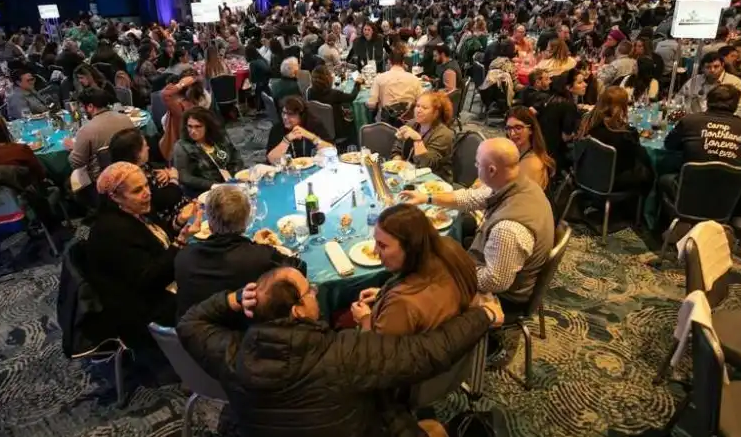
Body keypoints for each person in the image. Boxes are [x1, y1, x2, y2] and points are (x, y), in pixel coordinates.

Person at [176, 267, 500, 437]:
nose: (315, 293)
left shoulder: (231, 354)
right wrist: (482, 315)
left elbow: (189, 323)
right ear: (298, 310)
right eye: (309, 290)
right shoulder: (344, 352)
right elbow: (427, 353)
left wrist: (233, 299)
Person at [398, 138, 555, 312]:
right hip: (499, 268)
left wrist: (454, 270)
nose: (475, 166)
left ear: (492, 170)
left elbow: (496, 282)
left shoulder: (508, 229)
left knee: (422, 279)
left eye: (477, 163)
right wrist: (427, 198)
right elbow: (471, 198)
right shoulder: (517, 184)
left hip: (504, 298)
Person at [85, 162, 201, 342]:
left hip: (157, 282)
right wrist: (180, 242)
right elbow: (150, 279)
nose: (147, 193)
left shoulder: (135, 209)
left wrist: (179, 222)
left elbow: (159, 240)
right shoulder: (113, 232)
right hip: (142, 307)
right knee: (210, 288)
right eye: (137, 190)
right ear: (115, 197)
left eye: (146, 185)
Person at [175, 185, 305, 319]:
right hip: (247, 334)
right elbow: (300, 268)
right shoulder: (260, 257)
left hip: (197, 334)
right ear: (246, 221)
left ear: (209, 223)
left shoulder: (184, 256)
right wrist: (261, 247)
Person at [351, 203, 477, 336]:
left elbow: (377, 351)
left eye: (382, 245)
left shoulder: (401, 304)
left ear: (410, 248)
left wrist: (364, 319)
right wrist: (382, 296)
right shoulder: (450, 247)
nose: (375, 251)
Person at [660, 85, 741, 199]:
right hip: (726, 196)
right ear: (735, 105)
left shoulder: (690, 121)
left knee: (663, 177)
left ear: (708, 101)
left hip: (689, 192)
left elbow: (669, 145)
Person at [579, 87, 653, 193]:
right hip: (611, 183)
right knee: (648, 172)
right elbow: (642, 158)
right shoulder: (625, 135)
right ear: (622, 107)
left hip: (587, 175)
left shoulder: (588, 123)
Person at [66, 87, 135, 179]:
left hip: (103, 179)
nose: (82, 110)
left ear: (90, 107)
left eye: (82, 107)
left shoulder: (86, 130)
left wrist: (73, 148)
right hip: (131, 171)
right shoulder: (126, 119)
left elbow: (76, 163)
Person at [172, 106, 243, 195]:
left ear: (207, 126)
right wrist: (213, 185)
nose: (193, 131)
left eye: (198, 126)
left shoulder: (220, 137)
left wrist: (235, 176)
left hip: (232, 182)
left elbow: (235, 156)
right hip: (206, 191)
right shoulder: (182, 146)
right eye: (190, 126)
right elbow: (184, 177)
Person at [528, 68, 586, 169]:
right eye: (580, 82)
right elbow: (566, 137)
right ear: (568, 87)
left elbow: (530, 111)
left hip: (540, 147)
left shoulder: (549, 97)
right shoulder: (569, 105)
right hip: (556, 154)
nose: (585, 85)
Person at [391, 91, 455, 181]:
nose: (418, 110)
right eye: (417, 106)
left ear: (435, 113)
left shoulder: (444, 134)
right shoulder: (412, 124)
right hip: (409, 175)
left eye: (424, 108)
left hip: (435, 181)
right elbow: (397, 147)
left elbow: (426, 165)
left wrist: (418, 140)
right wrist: (398, 162)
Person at [676, 52, 741, 117]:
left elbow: (740, 108)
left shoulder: (734, 82)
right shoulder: (695, 81)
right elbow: (678, 99)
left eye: (716, 66)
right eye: (708, 67)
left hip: (723, 120)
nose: (712, 70)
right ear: (702, 68)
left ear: (722, 65)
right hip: (696, 119)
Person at [266, 96, 333, 164]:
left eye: (290, 114)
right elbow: (271, 160)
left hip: (314, 167)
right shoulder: (277, 129)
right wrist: (286, 140)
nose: (285, 117)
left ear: (301, 116)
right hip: (289, 170)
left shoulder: (314, 125)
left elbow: (332, 150)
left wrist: (312, 137)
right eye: (283, 113)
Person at [306, 65, 361, 141]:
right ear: (328, 78)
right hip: (338, 131)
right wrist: (357, 84)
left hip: (317, 129)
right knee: (354, 121)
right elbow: (352, 97)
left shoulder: (309, 92)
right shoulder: (334, 94)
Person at [504, 107, 554, 191]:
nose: (512, 133)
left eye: (518, 128)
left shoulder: (533, 165)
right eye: (509, 128)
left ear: (531, 130)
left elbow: (520, 199)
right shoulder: (515, 152)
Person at [366, 51, 423, 124]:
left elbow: (372, 105)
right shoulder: (414, 79)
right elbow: (421, 101)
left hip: (387, 122)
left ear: (389, 62)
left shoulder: (379, 78)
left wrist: (366, 104)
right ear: (403, 63)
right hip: (409, 122)